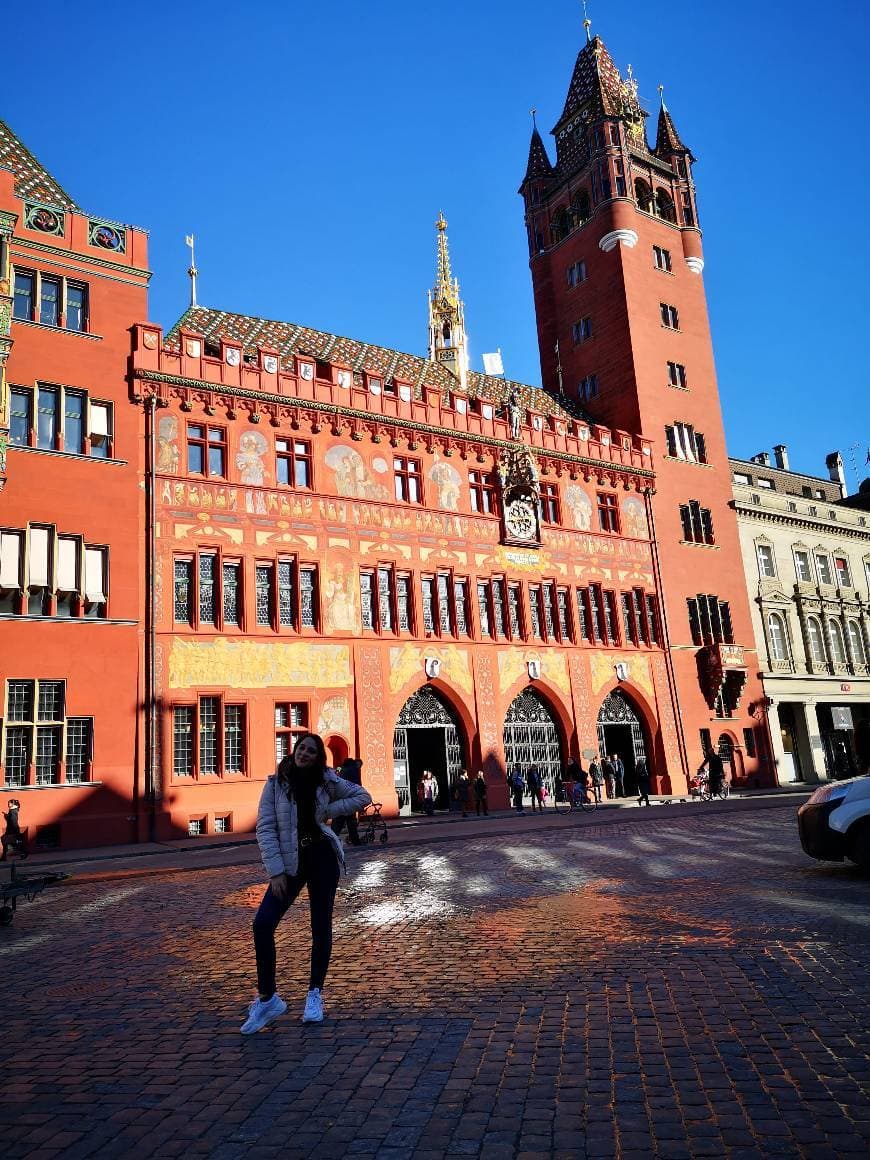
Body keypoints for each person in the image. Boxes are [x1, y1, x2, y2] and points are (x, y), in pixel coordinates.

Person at [241, 732, 371, 1034]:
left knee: (321, 927)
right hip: (289, 865)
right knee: (263, 924)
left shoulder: (327, 780)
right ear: (294, 751)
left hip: (322, 859)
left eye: (311, 751)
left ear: (318, 757)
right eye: (301, 749)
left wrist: (329, 810)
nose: (304, 754)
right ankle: (268, 998)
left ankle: (315, 994)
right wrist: (275, 872)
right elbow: (265, 828)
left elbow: (362, 796)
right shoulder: (275, 784)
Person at [331, 758, 363, 846]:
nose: (359, 767)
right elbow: (357, 784)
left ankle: (331, 839)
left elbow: (335, 778)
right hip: (349, 799)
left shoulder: (341, 769)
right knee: (351, 822)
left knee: (338, 822)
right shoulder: (354, 770)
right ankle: (355, 841)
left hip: (339, 798)